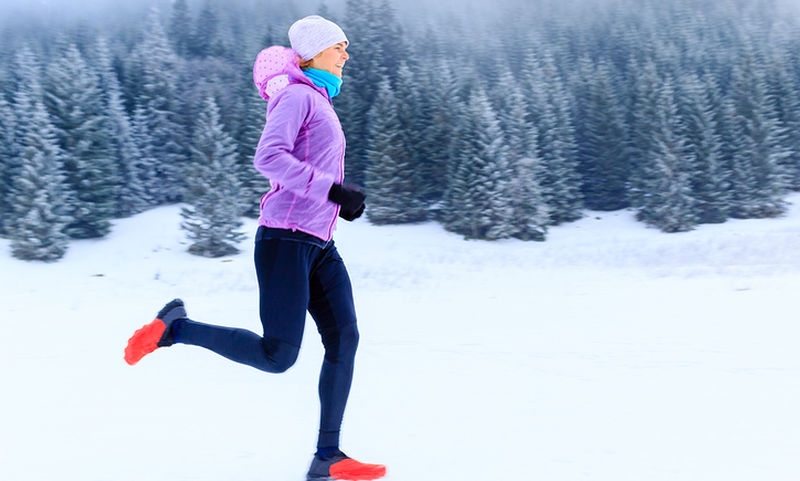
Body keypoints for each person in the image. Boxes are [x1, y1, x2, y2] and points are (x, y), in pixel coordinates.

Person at [124, 15, 386, 481]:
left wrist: (335, 201)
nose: (347, 55)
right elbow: (268, 156)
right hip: (285, 238)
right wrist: (332, 191)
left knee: (344, 338)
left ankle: (328, 456)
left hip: (318, 242)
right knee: (277, 356)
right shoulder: (296, 95)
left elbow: (307, 168)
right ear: (312, 52)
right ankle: (177, 327)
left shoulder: (319, 99)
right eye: (339, 47)